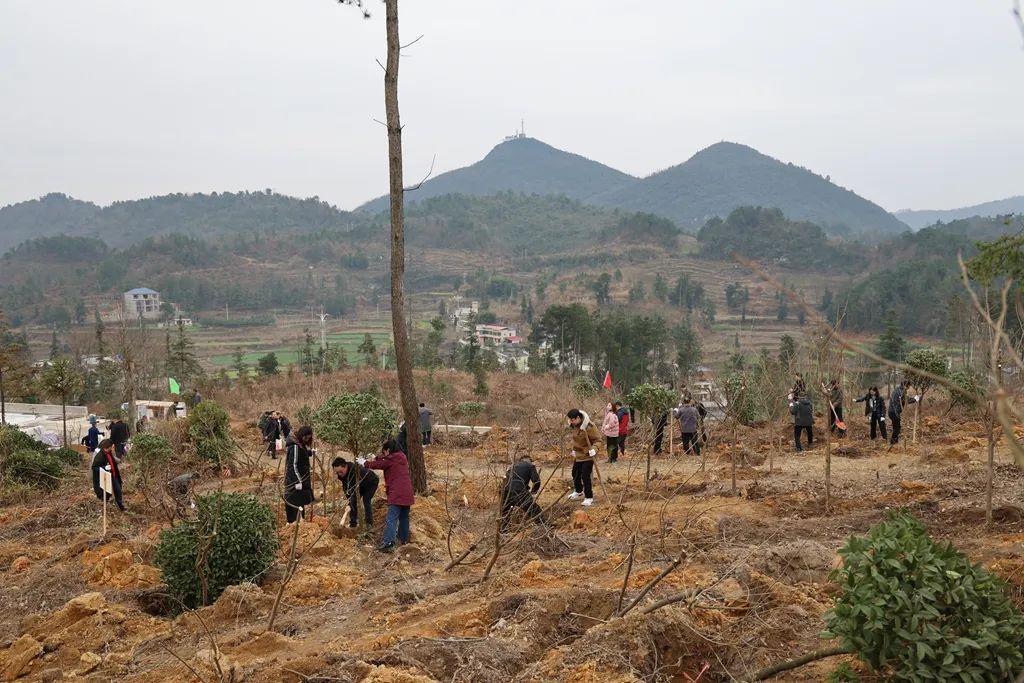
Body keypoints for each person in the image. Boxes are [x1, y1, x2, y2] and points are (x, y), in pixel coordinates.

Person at [361, 439, 415, 553]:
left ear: (388, 450)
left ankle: (389, 543)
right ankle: (404, 540)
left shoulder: (390, 460)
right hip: (407, 493)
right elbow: (384, 460)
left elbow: (378, 464)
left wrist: (365, 463)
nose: (383, 454)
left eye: (384, 451)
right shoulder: (401, 457)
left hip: (397, 493)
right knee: (404, 517)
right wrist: (376, 457)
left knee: (391, 519)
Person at [332, 456, 379, 529]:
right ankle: (353, 523)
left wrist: (349, 503)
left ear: (345, 466)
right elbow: (346, 487)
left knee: (366, 500)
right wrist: (349, 500)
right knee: (352, 502)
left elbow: (353, 491)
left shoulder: (354, 471)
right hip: (359, 485)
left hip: (370, 482)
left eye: (340, 472)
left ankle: (369, 524)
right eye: (337, 472)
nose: (339, 474)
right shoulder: (342, 475)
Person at [567, 408, 601, 506]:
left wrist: (594, 449)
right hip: (578, 455)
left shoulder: (589, 426)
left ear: (578, 417)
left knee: (585, 475)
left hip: (588, 455)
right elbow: (576, 439)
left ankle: (589, 497)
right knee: (575, 473)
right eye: (570, 420)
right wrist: (574, 449)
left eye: (573, 420)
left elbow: (598, 440)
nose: (571, 422)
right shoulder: (574, 425)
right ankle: (578, 491)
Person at [500, 455, 543, 531]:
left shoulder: (512, 467)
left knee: (505, 513)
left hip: (505, 491)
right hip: (518, 490)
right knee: (534, 509)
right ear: (529, 461)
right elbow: (536, 481)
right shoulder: (530, 466)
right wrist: (533, 492)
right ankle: (543, 527)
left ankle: (503, 532)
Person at [283, 425, 314, 523]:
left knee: (300, 504)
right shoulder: (295, 446)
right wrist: (298, 481)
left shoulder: (299, 444)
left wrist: (310, 452)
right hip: (294, 482)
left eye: (308, 438)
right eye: (306, 437)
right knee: (294, 504)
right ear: (301, 435)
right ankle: (293, 525)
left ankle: (300, 523)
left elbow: (301, 454)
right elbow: (293, 465)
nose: (306, 440)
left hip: (300, 480)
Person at [91, 439, 126, 512]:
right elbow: (94, 468)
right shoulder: (100, 456)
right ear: (107, 447)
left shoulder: (109, 453)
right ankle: (104, 507)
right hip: (106, 477)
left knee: (118, 490)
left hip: (113, 475)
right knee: (106, 493)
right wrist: (104, 468)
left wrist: (119, 462)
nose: (112, 448)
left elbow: (113, 460)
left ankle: (120, 506)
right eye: (111, 447)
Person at [888, 381, 918, 446]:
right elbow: (906, 400)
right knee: (897, 428)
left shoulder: (898, 390)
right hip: (894, 412)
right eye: (908, 386)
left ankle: (895, 441)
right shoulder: (900, 392)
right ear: (905, 386)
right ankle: (892, 442)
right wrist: (915, 398)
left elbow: (903, 399)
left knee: (896, 427)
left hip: (892, 412)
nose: (908, 388)